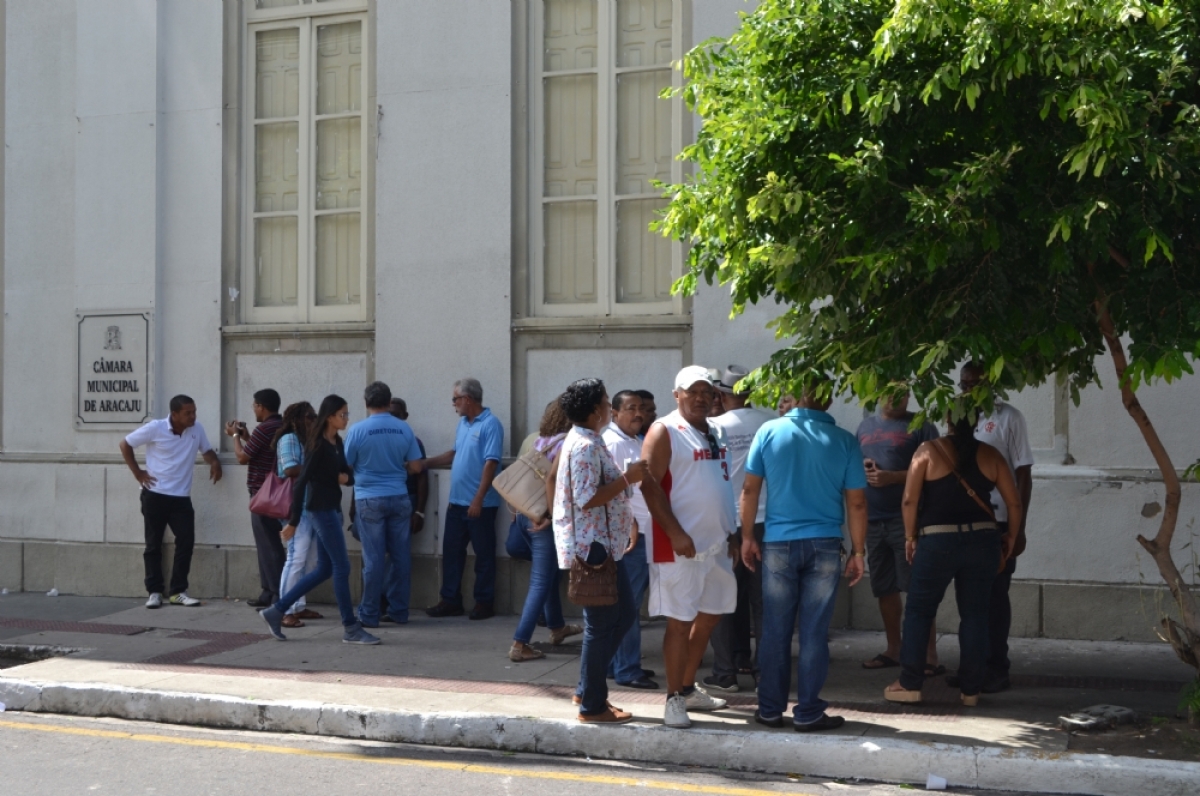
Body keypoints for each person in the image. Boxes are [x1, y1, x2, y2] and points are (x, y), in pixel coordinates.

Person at [741, 385, 867, 732]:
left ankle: (769, 709)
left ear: (794, 398)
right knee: (814, 632)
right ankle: (808, 711)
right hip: (825, 544)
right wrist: (858, 551)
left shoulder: (769, 430)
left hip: (778, 542)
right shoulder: (844, 440)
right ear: (827, 399)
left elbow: (750, 489)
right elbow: (856, 503)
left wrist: (748, 536)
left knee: (774, 631)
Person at [884, 409, 1023, 706]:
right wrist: (1011, 536)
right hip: (983, 539)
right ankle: (971, 689)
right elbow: (1013, 501)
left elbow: (909, 498)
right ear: (974, 422)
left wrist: (910, 536)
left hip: (938, 539)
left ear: (947, 420)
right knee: (975, 614)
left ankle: (910, 683)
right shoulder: (990, 454)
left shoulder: (928, 451)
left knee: (920, 611)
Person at [640, 366, 738, 729]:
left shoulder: (716, 429)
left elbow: (722, 483)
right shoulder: (664, 429)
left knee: (710, 616)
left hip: (716, 545)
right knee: (680, 623)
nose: (700, 397)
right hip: (678, 547)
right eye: (691, 391)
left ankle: (688, 685)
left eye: (706, 391)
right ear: (676, 394)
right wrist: (675, 531)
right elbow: (649, 485)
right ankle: (673, 699)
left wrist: (734, 531)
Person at [553, 378, 648, 724]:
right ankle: (592, 703)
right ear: (595, 410)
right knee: (603, 624)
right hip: (593, 548)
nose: (610, 407)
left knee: (621, 616)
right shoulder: (584, 445)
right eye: (607, 402)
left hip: (606, 544)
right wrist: (628, 478)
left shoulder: (591, 440)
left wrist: (629, 519)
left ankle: (587, 687)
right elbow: (587, 497)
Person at [260, 394, 380, 645]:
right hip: (319, 510)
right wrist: (293, 521)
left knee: (325, 568)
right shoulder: (316, 445)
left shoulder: (336, 442)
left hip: (331, 508)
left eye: (347, 414)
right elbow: (301, 481)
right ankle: (350, 627)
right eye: (342, 414)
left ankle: (277, 610)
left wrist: (345, 477)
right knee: (342, 567)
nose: (346, 418)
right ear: (329, 417)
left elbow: (348, 473)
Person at [956, 362, 1034, 693]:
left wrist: (1019, 527)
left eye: (976, 384)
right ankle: (971, 668)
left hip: (999, 519)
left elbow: (1023, 475)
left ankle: (996, 667)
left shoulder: (1009, 418)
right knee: (968, 597)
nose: (969, 390)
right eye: (964, 385)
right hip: (962, 518)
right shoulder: (955, 415)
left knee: (995, 595)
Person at [856, 389, 942, 673]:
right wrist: (865, 467)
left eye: (903, 392)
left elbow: (936, 469)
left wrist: (893, 477)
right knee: (884, 588)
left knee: (917, 588)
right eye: (890, 391)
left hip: (906, 520)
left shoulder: (921, 425)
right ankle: (894, 649)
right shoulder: (865, 426)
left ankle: (928, 656)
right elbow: (855, 467)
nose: (896, 397)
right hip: (873, 519)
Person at [703, 366, 774, 693]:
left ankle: (725, 672)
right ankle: (763, 672)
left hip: (725, 523)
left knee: (722, 597)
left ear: (720, 395)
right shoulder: (769, 424)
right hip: (763, 522)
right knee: (762, 601)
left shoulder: (713, 426)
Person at [120, 395, 222, 608]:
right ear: (174, 415)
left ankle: (178, 591)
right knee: (153, 544)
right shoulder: (155, 428)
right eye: (188, 413)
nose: (193, 416)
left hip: (181, 497)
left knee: (186, 541)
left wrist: (214, 462)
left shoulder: (197, 429)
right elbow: (125, 444)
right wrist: (138, 473)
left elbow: (207, 450)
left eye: (194, 411)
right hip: (154, 494)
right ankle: (154, 591)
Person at [420, 378, 505, 620]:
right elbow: (454, 453)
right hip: (456, 503)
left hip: (481, 504)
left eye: (455, 399)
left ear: (468, 399)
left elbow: (491, 463)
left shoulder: (490, 424)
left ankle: (484, 602)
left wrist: (478, 499)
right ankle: (450, 600)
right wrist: (426, 463)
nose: (453, 404)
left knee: (484, 555)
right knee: (452, 554)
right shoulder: (463, 425)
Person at [508, 398, 582, 662]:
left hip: (525, 515)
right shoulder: (567, 443)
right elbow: (558, 484)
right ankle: (520, 643)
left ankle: (557, 627)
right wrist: (553, 516)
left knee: (547, 574)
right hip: (544, 519)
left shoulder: (541, 441)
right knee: (541, 580)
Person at [344, 382, 423, 628]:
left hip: (369, 498)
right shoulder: (404, 429)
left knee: (374, 559)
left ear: (366, 403)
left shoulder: (357, 430)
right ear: (389, 403)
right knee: (401, 557)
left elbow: (345, 465)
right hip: (399, 497)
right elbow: (417, 467)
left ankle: (369, 614)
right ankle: (399, 611)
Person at [601, 390, 657, 690]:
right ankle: (627, 669)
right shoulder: (612, 443)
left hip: (647, 532)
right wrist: (630, 524)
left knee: (628, 604)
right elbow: (610, 490)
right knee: (628, 606)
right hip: (630, 537)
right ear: (614, 412)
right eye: (631, 409)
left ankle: (616, 664)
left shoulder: (634, 440)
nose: (638, 414)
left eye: (641, 409)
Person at [226, 389, 285, 609]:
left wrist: (234, 436)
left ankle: (276, 593)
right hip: (275, 493)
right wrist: (246, 437)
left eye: (254, 406)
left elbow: (243, 457)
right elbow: (260, 451)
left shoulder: (265, 428)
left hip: (262, 494)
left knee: (268, 545)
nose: (253, 410)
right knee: (268, 544)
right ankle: (268, 591)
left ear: (261, 406)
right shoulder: (279, 426)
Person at [274, 402, 322, 628]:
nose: (314, 420)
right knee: (296, 558)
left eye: (315, 417)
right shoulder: (290, 439)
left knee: (311, 562)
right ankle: (283, 610)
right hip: (296, 509)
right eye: (310, 417)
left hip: (311, 507)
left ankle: (298, 605)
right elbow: (291, 468)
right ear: (297, 419)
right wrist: (321, 469)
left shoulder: (307, 441)